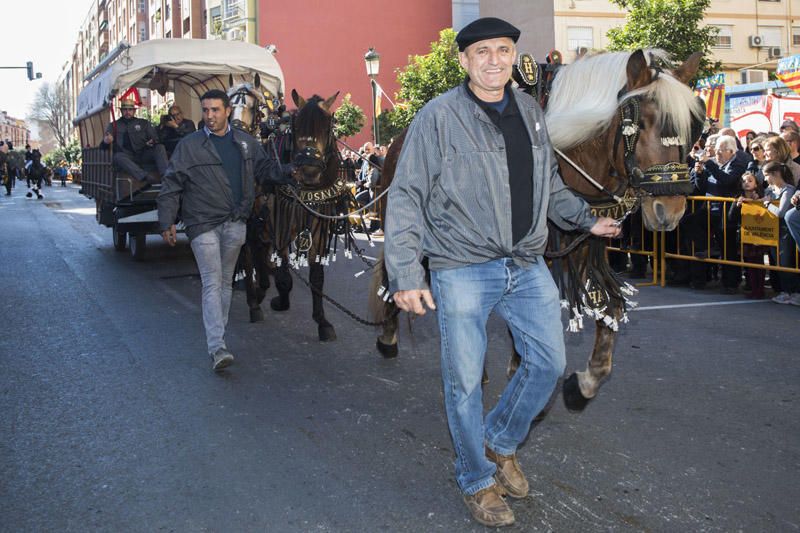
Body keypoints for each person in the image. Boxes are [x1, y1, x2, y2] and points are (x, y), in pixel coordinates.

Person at [384, 17, 621, 528]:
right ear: (465, 60)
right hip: (462, 266)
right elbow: (406, 195)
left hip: (526, 263)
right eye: (483, 51)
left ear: (515, 55)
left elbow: (549, 186)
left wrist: (585, 219)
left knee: (549, 363)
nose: (495, 60)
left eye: (504, 50)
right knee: (464, 382)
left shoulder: (532, 113)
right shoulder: (438, 117)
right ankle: (475, 479)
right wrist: (405, 273)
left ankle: (500, 442)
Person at [157, 89, 297, 371]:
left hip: (235, 221)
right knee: (212, 281)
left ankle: (217, 336)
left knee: (224, 282)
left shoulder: (246, 144)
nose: (209, 116)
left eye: (215, 110)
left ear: (228, 111)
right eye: (205, 111)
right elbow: (171, 183)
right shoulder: (190, 145)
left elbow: (267, 170)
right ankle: (217, 347)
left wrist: (294, 169)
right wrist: (167, 220)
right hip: (202, 222)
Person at [684, 135, 746, 291]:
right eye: (716, 150)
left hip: (726, 211)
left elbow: (727, 181)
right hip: (710, 209)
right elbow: (702, 188)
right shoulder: (715, 164)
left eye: (720, 150)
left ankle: (730, 283)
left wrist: (709, 165)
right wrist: (699, 174)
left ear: (731, 151)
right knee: (690, 221)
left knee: (728, 246)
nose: (716, 154)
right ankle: (705, 248)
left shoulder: (737, 164)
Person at [101, 98, 168, 185]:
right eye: (125, 109)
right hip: (127, 156)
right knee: (117, 156)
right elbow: (102, 147)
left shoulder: (144, 123)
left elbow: (156, 139)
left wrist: (151, 142)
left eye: (130, 109)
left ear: (134, 111)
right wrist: (106, 142)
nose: (127, 112)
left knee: (160, 147)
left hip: (144, 153)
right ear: (121, 111)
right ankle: (145, 177)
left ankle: (167, 178)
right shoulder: (114, 125)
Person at [760, 161, 800, 305]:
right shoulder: (769, 190)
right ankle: (785, 291)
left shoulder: (788, 190)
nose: (765, 179)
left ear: (776, 174)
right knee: (778, 262)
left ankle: (794, 292)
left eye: (766, 175)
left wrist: (768, 204)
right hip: (771, 231)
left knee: (786, 262)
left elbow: (781, 212)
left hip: (784, 231)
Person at [732, 172, 766, 298]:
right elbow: (731, 218)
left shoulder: (761, 196)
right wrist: (737, 206)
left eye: (750, 180)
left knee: (759, 263)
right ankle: (752, 288)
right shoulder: (738, 197)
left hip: (759, 235)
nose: (747, 183)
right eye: (744, 181)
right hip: (744, 234)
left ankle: (760, 290)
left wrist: (759, 201)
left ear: (756, 183)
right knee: (749, 264)